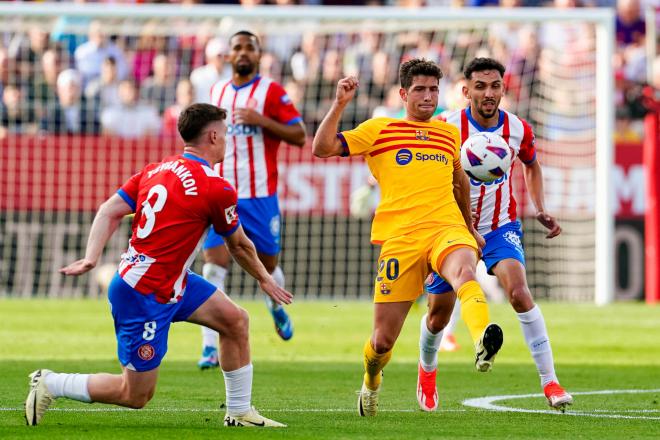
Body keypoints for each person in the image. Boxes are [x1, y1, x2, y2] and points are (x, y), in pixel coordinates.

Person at [25, 103, 290, 428]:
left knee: (235, 321)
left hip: (171, 280)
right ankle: (51, 382)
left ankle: (239, 412)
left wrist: (92, 257)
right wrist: (264, 278)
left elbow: (109, 210)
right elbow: (239, 244)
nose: (227, 141)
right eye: (225, 134)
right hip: (145, 293)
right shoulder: (215, 186)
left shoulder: (156, 169)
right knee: (135, 394)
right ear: (212, 136)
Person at [312, 58, 503, 417]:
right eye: (420, 89)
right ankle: (371, 380)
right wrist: (339, 104)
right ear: (403, 93)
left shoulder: (449, 133)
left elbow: (459, 183)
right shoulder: (380, 130)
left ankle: (482, 338)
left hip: (447, 228)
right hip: (400, 239)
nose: (429, 96)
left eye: (433, 89)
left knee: (465, 273)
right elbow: (321, 148)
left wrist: (470, 227)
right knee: (382, 342)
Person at [423, 57, 573, 411]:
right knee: (438, 314)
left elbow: (532, 165)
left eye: (494, 87)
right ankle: (427, 371)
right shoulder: (445, 126)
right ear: (466, 90)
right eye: (480, 86)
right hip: (452, 226)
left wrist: (539, 207)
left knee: (520, 293)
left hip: (500, 225)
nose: (488, 94)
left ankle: (550, 382)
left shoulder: (518, 128)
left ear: (503, 89)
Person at [197, 30, 306, 369]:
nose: (243, 52)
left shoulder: (271, 92)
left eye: (250, 48)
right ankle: (209, 346)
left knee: (267, 267)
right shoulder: (217, 91)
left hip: (260, 196)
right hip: (222, 192)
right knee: (214, 263)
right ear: (228, 56)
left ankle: (275, 306)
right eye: (237, 47)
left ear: (259, 56)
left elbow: (300, 136)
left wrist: (262, 121)